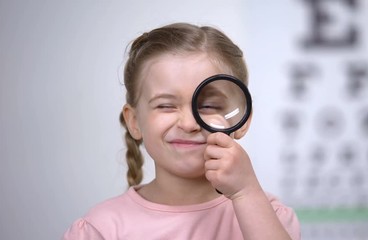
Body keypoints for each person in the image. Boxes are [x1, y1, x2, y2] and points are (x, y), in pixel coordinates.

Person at [63, 22, 300, 240]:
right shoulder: (102, 230)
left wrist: (246, 193)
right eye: (165, 105)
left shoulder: (268, 217)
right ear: (134, 121)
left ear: (242, 119)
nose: (188, 123)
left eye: (208, 106)